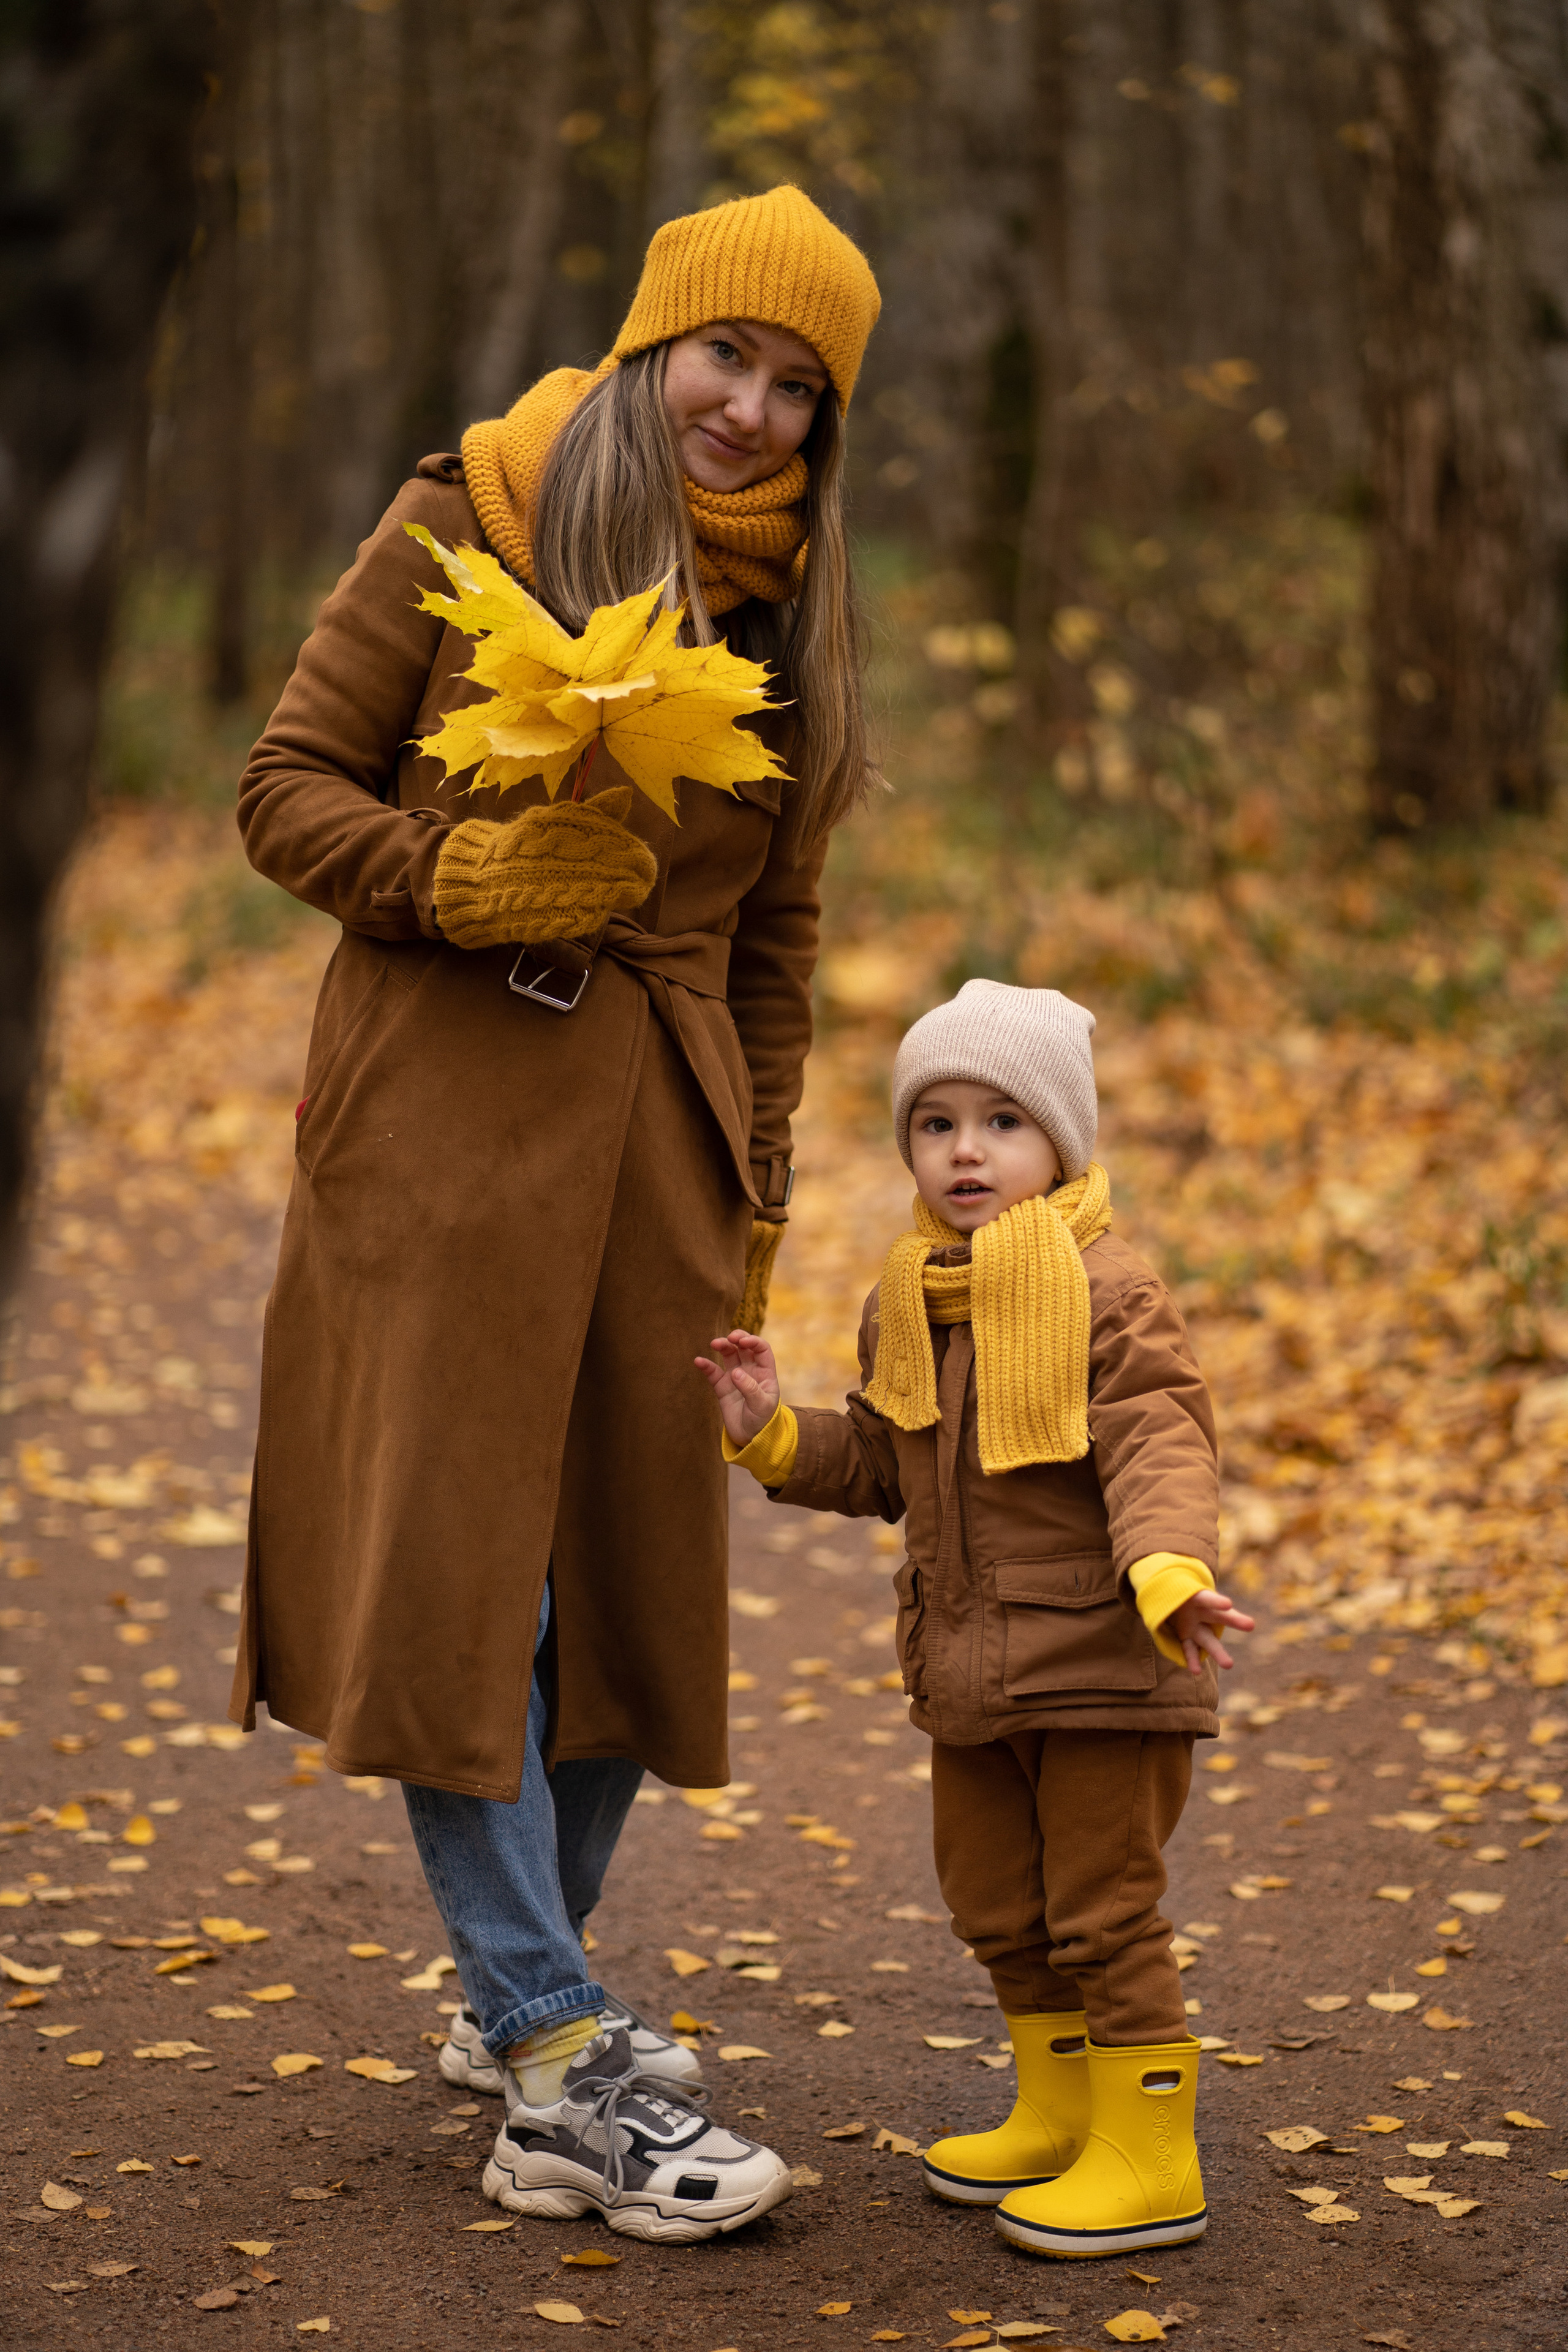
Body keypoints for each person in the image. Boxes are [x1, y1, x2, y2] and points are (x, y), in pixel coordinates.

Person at [228, 183, 881, 2242]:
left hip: (664, 1148)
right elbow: (283, 786)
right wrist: (448, 876)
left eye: (801, 387)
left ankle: (531, 1987)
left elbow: (773, 936)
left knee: (616, 1580)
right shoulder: (470, 513)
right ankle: (545, 2047)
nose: (755, 411)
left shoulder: (788, 614)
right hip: (441, 1128)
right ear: (650, 348)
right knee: (469, 1589)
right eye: (728, 360)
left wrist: (757, 1186)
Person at [698, 979, 1254, 2260]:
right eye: (935, 1121)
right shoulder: (913, 1300)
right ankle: (1062, 2112)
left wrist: (1166, 1567)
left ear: (1062, 1141)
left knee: (1101, 1909)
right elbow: (888, 1469)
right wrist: (776, 1434)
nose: (963, 1149)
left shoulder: (1106, 1292)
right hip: (969, 1669)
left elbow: (1156, 1437)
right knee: (995, 1901)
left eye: (1002, 1121)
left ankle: (1151, 2153)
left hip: (1104, 1665)